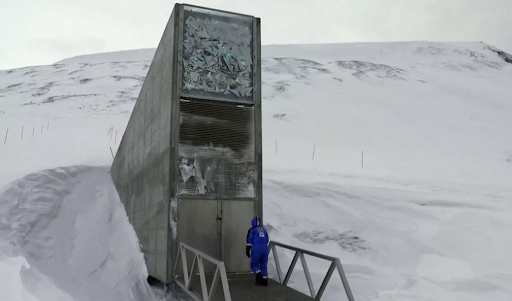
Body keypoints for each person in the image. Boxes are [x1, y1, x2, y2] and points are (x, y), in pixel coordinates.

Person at [246, 216, 269, 286]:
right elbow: (267, 240)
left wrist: (247, 250)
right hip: (265, 249)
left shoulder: (252, 230)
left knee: (254, 265)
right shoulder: (264, 230)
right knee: (263, 265)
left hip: (256, 249)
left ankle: (259, 277)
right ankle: (265, 281)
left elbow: (249, 241)